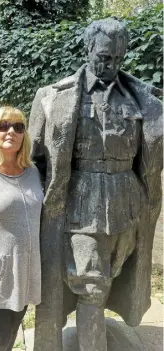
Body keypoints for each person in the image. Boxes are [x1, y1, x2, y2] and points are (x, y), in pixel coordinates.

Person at [29, 18, 163, 351]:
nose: (110, 66)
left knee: (111, 279)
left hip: (126, 207)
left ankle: (97, 332)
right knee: (90, 286)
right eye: (104, 57)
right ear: (88, 49)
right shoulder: (52, 98)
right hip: (79, 208)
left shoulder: (143, 99)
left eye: (117, 59)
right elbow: (35, 161)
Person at [0, 106, 44, 351]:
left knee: (7, 341)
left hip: (25, 277)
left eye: (18, 127)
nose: (11, 131)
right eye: (3, 126)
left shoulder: (32, 172)